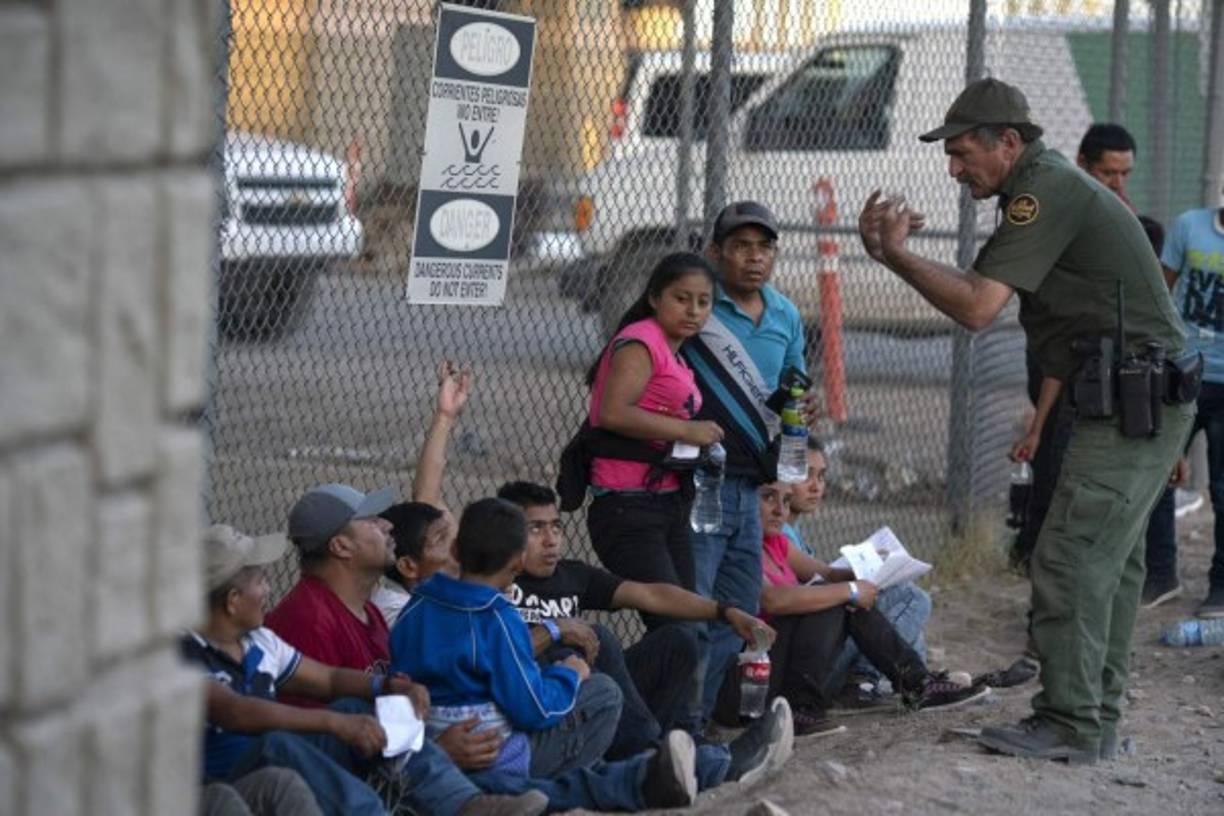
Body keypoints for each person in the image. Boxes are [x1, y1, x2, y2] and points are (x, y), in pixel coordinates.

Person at [857, 78, 1194, 763]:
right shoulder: (1037, 190)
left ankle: (1071, 723)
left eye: (962, 153)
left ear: (1007, 142)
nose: (954, 170)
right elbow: (1063, 321)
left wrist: (893, 254)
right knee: (1110, 563)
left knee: (1069, 558)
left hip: (1134, 398)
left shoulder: (1045, 192)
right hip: (1130, 395)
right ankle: (1093, 717)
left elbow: (978, 307)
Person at [186, 524, 546, 816]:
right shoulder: (179, 655)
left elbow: (327, 679)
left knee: (359, 709)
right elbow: (234, 712)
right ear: (233, 602)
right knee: (280, 744)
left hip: (267, 763)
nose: (268, 589)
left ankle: (467, 805)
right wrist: (333, 723)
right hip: (217, 787)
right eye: (260, 582)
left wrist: (386, 686)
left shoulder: (258, 640)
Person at [390, 498, 701, 811]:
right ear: (518, 562)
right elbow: (533, 709)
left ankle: (662, 766)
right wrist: (569, 674)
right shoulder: (497, 617)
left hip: (428, 744)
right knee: (604, 692)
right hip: (494, 753)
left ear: (456, 550)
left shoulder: (416, 605)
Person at [497, 480, 792, 787]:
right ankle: (677, 759)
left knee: (678, 641)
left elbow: (652, 595)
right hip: (540, 705)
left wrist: (725, 611)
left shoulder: (572, 575)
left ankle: (668, 745)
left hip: (594, 696)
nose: (551, 540)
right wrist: (556, 630)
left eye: (556, 527)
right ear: (506, 533)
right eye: (536, 529)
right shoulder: (495, 582)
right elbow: (493, 656)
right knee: (589, 639)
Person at [1013, 123, 1182, 613]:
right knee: (1055, 488)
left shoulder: (1134, 229)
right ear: (1084, 167)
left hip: (1118, 384)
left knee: (1127, 490)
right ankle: (1049, 606)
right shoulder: (1060, 224)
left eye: (1126, 173)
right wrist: (1039, 425)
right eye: (1109, 173)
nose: (1120, 185)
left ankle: (1118, 592)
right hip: (1063, 375)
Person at [713, 484, 989, 735]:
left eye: (785, 501)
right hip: (744, 687)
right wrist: (851, 591)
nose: (779, 510)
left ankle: (917, 683)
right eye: (767, 498)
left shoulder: (777, 544)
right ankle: (806, 707)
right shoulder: (737, 547)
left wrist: (873, 568)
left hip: (778, 671)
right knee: (837, 600)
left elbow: (829, 573)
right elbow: (773, 600)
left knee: (841, 597)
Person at [681, 201, 810, 722]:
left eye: (765, 248)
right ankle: (678, 725)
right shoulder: (698, 307)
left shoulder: (785, 314)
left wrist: (800, 406)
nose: (755, 258)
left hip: (751, 488)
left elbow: (794, 386)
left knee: (735, 611)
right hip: (700, 482)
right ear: (716, 253)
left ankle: (703, 723)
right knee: (694, 608)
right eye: (741, 247)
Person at [582, 251, 720, 604]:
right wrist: (688, 432)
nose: (693, 311)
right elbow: (612, 413)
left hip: (665, 500)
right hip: (627, 503)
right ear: (655, 298)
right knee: (675, 621)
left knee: (687, 621)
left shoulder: (674, 351)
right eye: (681, 298)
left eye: (703, 302)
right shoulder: (641, 341)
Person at [783, 439, 934, 705]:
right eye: (805, 475)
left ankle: (890, 681)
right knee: (912, 599)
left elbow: (825, 575)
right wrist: (852, 587)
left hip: (812, 652)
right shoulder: (776, 533)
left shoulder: (792, 532)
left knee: (906, 624)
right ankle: (863, 683)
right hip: (803, 664)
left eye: (821, 476)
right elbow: (797, 595)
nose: (816, 486)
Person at [1158, 190, 1224, 618]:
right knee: (1157, 473)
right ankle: (1159, 574)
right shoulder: (1189, 226)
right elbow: (1160, 292)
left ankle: (1220, 587)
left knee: (1222, 487)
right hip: (1184, 374)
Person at [371, 360, 470, 627]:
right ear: (408, 566)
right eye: (442, 540)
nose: (457, 547)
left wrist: (445, 417)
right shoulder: (401, 611)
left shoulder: (444, 578)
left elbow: (427, 497)